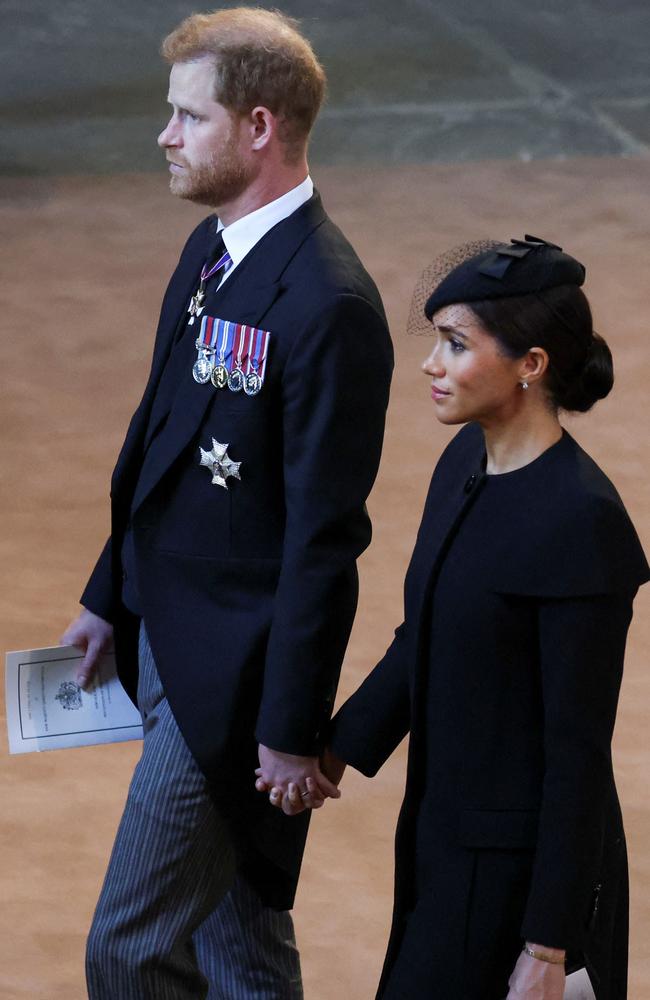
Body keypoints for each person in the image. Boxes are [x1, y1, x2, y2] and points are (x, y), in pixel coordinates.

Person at [60, 8, 393, 998]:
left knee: (126, 950)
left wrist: (290, 725)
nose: (164, 135)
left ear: (256, 127)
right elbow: (155, 444)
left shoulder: (326, 305)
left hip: (233, 687)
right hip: (164, 635)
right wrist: (106, 591)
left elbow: (323, 540)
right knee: (231, 940)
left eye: (185, 116)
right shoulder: (212, 254)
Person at [265, 236, 649, 998]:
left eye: (455, 345)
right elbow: (427, 640)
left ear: (530, 365)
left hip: (522, 886)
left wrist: (548, 948)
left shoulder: (582, 524)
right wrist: (335, 751)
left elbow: (577, 756)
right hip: (445, 851)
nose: (430, 364)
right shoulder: (464, 465)